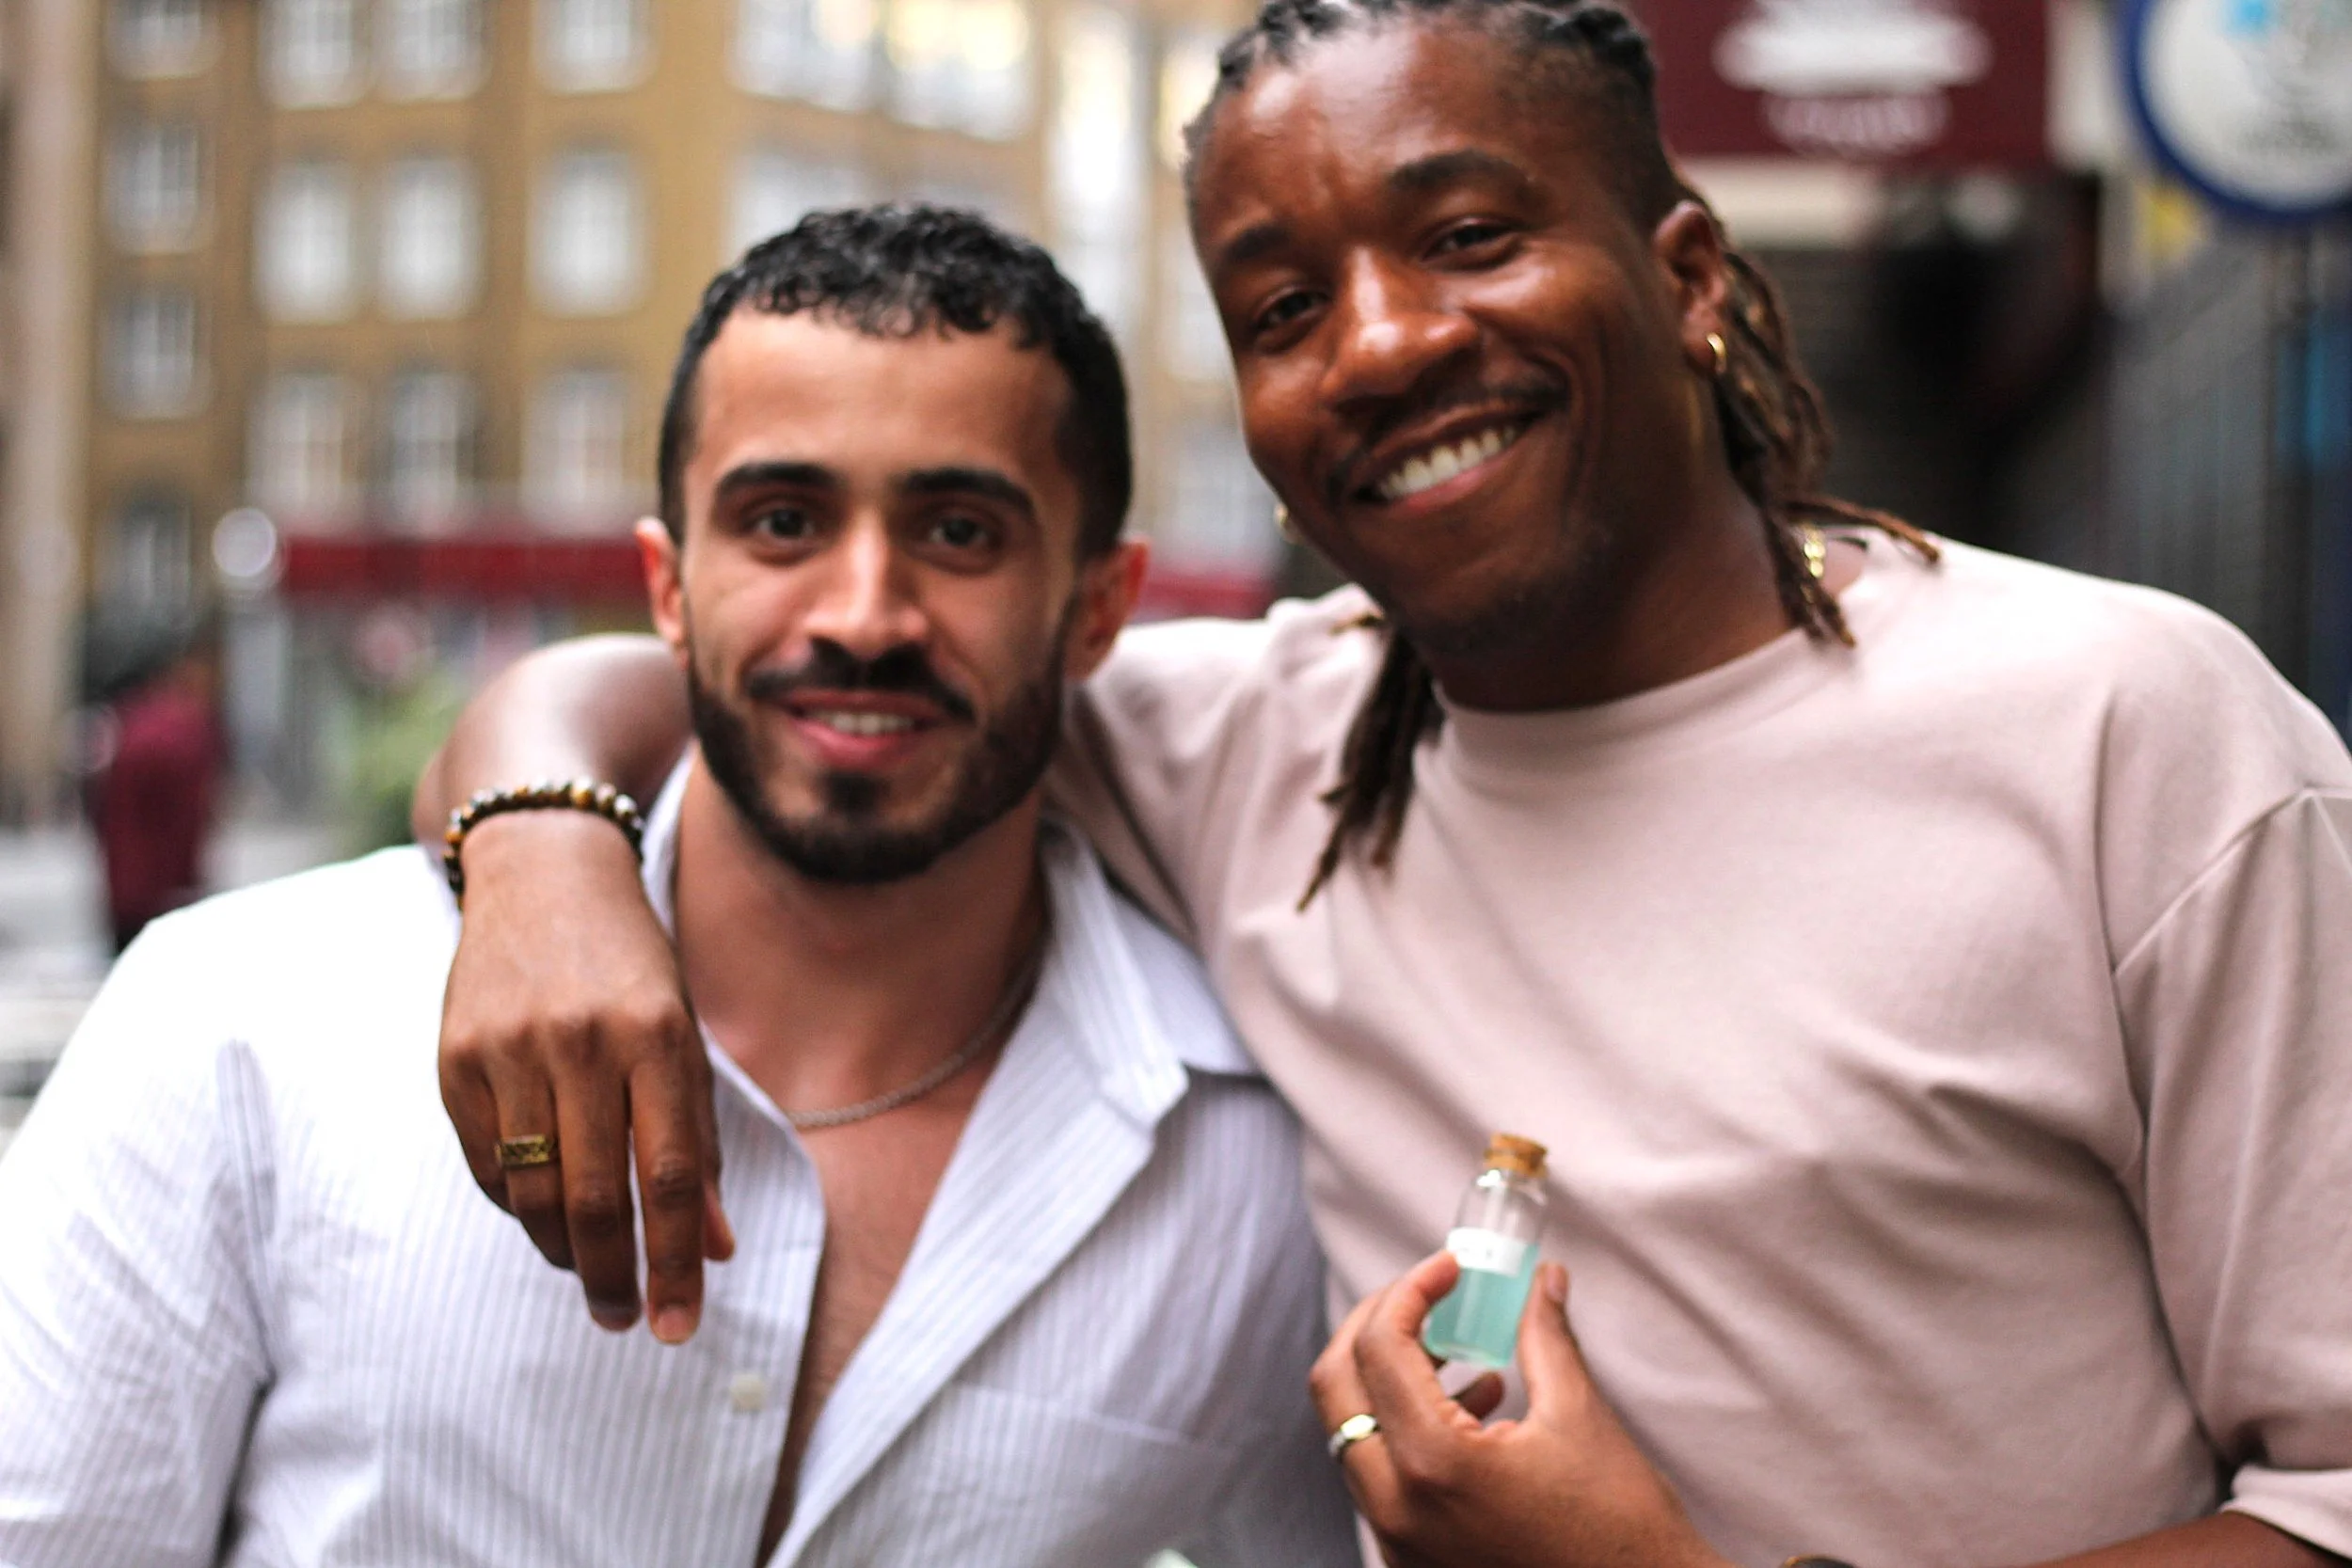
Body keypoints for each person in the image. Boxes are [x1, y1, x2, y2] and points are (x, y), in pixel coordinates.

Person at [416, 5, 2352, 1567]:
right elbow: (795, 677)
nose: (1384, 344)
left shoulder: (2125, 731)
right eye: (1281, 309)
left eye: (1470, 237)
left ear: (1686, 274)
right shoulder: (1253, 743)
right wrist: (544, 856)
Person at [0, 208, 1356, 1568]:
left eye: (958, 530)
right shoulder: (241, 1022)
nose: (861, 613)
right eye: (783, 522)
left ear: (1099, 606)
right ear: (667, 585)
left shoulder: (1241, 1170)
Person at [89, 628, 223, 952]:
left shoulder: (131, 725)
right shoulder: (184, 731)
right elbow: (190, 815)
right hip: (165, 887)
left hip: (125, 882)